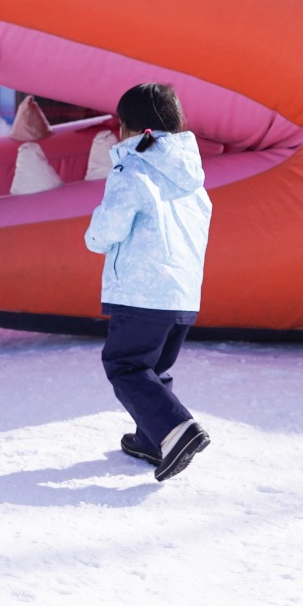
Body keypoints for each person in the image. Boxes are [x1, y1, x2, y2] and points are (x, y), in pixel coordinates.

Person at [83, 82, 214, 481]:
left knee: (125, 365)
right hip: (182, 293)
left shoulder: (132, 170)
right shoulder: (193, 179)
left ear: (127, 128)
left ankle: (176, 429)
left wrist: (92, 236)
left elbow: (111, 225)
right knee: (153, 370)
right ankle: (153, 439)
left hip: (142, 291)